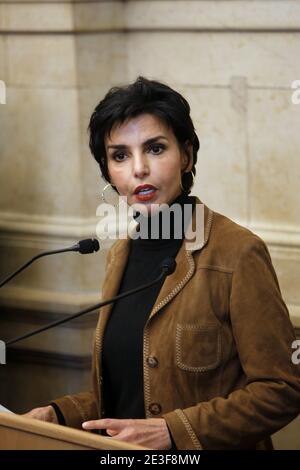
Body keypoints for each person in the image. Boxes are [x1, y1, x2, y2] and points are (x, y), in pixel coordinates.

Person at [24, 76, 300, 450]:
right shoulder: (120, 256)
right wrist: (58, 414)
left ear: (186, 155)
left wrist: (174, 431)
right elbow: (130, 393)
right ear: (108, 172)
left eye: (155, 149)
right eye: (120, 155)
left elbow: (283, 389)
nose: (138, 169)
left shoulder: (238, 252)